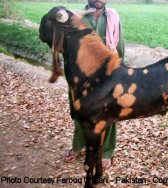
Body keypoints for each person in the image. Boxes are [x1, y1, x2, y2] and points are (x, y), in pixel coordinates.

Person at [64, 0, 125, 169]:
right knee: (80, 113)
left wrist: (116, 73)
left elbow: (119, 48)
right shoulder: (75, 18)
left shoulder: (112, 17)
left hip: (106, 75)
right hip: (82, 76)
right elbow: (66, 49)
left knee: (109, 113)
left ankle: (106, 151)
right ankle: (78, 145)